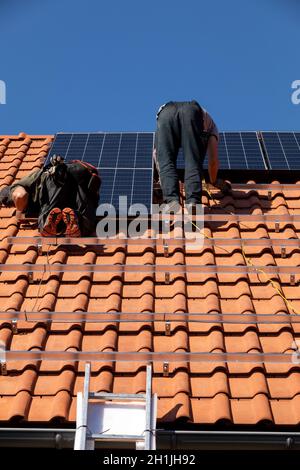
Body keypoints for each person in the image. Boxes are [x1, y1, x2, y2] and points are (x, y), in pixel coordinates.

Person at [0, 155, 101, 237]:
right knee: (83, 212)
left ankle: (49, 224)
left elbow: (20, 196)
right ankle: (76, 221)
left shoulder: (15, 188)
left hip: (57, 176)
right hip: (83, 172)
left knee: (50, 210)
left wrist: (21, 212)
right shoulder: (33, 176)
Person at [153, 100, 220, 207]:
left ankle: (172, 202)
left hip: (165, 113)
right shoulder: (212, 128)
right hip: (191, 112)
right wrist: (213, 181)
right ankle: (193, 201)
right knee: (192, 159)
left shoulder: (210, 125)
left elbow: (158, 156)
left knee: (166, 160)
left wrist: (164, 182)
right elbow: (213, 162)